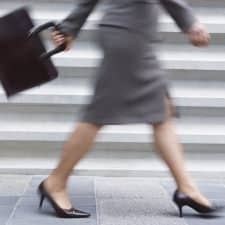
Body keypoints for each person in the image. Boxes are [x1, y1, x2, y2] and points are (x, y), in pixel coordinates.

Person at [37, 0, 221, 219]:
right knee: (98, 114)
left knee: (161, 111)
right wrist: (189, 21)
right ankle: (55, 182)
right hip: (128, 35)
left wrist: (70, 26)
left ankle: (186, 188)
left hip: (131, 33)